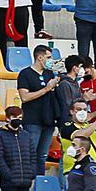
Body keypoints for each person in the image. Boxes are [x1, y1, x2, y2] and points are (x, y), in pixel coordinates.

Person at [16, 45, 60, 175]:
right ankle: (28, 182)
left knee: (42, 156)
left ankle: (40, 183)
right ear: (40, 57)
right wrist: (46, 89)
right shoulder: (25, 74)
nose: (50, 60)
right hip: (32, 120)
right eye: (48, 57)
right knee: (31, 154)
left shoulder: (49, 73)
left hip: (48, 120)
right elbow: (24, 97)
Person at [0, 105, 38, 191]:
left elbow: (33, 156)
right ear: (8, 118)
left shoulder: (26, 135)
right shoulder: (1, 136)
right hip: (9, 183)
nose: (18, 119)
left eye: (20, 117)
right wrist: (8, 175)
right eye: (15, 117)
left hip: (25, 181)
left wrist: (31, 172)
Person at [63, 122, 96, 191]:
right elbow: (71, 189)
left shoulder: (90, 166)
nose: (71, 147)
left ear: (82, 149)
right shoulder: (77, 164)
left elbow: (91, 189)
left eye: (74, 145)